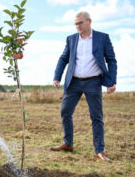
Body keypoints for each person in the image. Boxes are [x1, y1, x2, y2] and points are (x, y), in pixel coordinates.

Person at [50, 11, 117, 161]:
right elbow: (63, 58)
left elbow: (111, 60)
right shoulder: (71, 39)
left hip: (93, 82)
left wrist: (111, 81)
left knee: (96, 117)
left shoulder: (102, 38)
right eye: (76, 24)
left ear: (89, 21)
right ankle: (68, 144)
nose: (78, 26)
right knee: (65, 112)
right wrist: (57, 77)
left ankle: (99, 150)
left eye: (80, 23)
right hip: (73, 82)